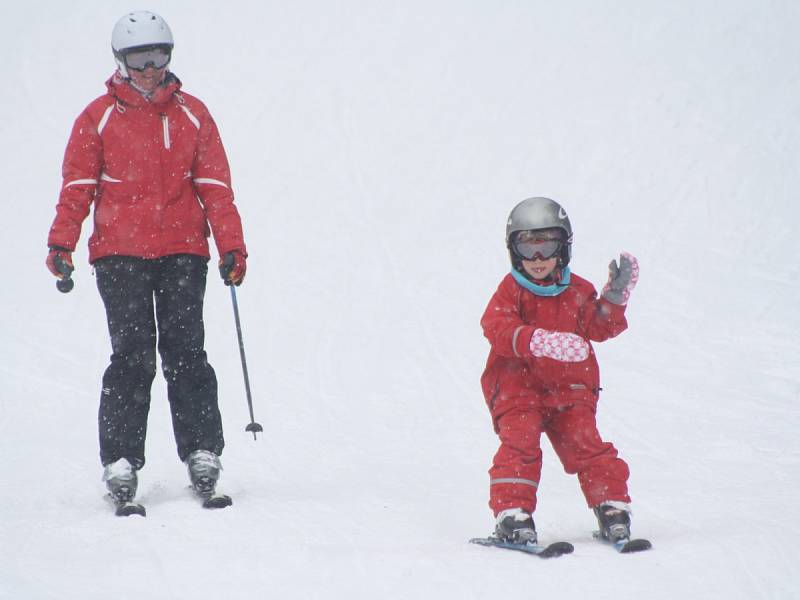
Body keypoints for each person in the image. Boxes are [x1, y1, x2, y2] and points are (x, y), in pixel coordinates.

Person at [45, 11, 247, 511]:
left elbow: (216, 188)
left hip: (183, 249)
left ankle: (202, 450)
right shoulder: (99, 117)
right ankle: (120, 460)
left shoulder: (192, 114)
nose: (151, 68)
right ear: (121, 61)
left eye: (159, 56)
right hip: (120, 252)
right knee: (132, 354)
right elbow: (78, 187)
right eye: (140, 58)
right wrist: (61, 243)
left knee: (186, 351)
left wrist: (231, 247)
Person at [480, 197, 640, 544]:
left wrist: (614, 299)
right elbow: (496, 326)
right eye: (527, 247)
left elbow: (598, 327)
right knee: (520, 444)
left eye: (547, 246)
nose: (537, 259)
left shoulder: (577, 290)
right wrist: (534, 340)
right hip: (517, 387)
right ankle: (513, 514)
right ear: (513, 250)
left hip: (570, 388)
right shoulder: (511, 291)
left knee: (587, 444)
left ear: (564, 247)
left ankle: (610, 506)